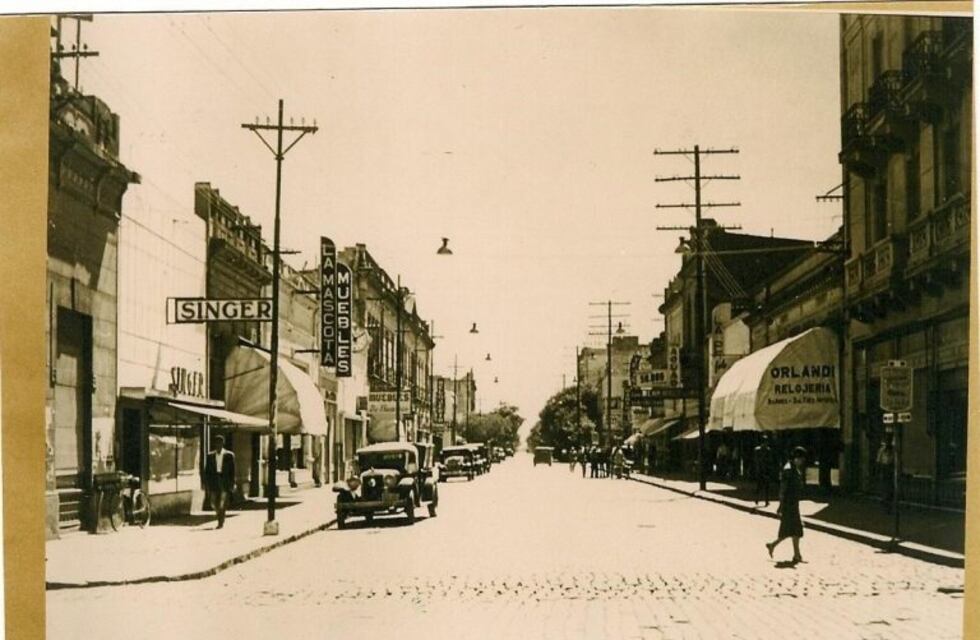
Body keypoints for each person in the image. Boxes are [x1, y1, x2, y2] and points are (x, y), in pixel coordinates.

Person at [766, 446, 807, 564]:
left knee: (794, 530)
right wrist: (781, 505)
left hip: (794, 503)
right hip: (789, 503)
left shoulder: (794, 468)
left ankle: (794, 553)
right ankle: (795, 554)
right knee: (792, 529)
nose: (802, 462)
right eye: (801, 459)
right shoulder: (788, 469)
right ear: (796, 458)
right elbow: (783, 489)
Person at [204, 435, 236, 530]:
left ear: (223, 444)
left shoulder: (229, 455)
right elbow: (207, 471)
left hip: (224, 480)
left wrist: (232, 483)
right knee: (213, 502)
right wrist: (206, 482)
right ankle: (220, 515)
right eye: (216, 443)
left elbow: (232, 471)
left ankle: (220, 521)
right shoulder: (210, 456)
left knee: (222, 502)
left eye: (220, 443)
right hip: (214, 480)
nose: (218, 445)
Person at [753, 435, 776, 506]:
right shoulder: (767, 450)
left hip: (762, 470)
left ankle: (759, 499)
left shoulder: (757, 450)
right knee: (764, 486)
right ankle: (764, 500)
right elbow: (770, 460)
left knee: (761, 486)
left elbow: (755, 460)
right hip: (764, 470)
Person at [876, 434, 896, 513]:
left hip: (890, 470)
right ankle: (885, 503)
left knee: (890, 488)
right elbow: (878, 461)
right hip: (884, 469)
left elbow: (895, 461)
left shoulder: (893, 450)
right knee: (884, 487)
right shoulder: (882, 450)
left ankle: (888, 504)